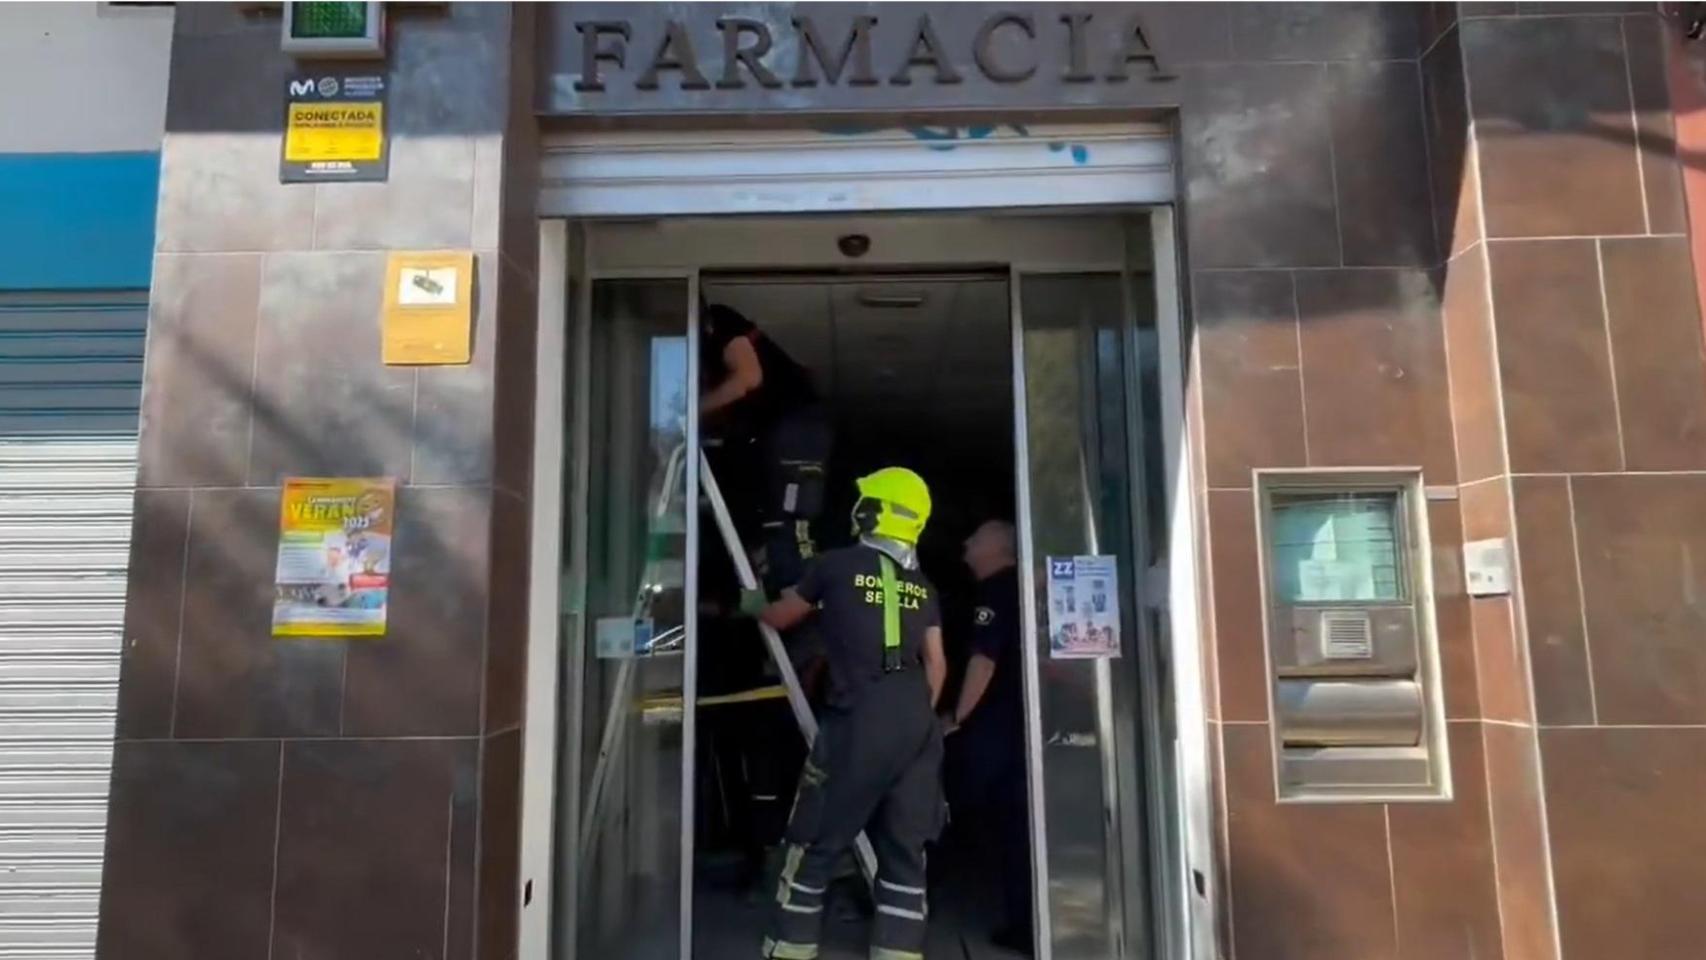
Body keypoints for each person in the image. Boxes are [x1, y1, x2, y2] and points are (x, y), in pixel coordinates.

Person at [743, 467, 947, 960]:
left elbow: (781, 616)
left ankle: (790, 947)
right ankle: (898, 952)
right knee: (904, 849)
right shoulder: (924, 585)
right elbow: (937, 664)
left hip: (859, 718)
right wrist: (912, 718)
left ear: (872, 513)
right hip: (917, 721)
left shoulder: (834, 566)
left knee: (815, 840)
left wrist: (751, 601)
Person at [701, 302, 833, 594]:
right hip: (781, 432)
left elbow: (748, 378)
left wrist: (693, 409)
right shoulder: (705, 351)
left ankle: (798, 601)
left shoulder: (718, 320)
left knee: (789, 522)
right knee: (772, 519)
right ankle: (784, 593)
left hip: (795, 427)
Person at [945, 519, 1032, 955]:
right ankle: (1026, 920)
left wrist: (956, 717)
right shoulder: (1019, 587)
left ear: (999, 547)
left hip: (999, 731)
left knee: (1006, 824)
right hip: (1017, 728)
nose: (967, 541)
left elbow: (984, 660)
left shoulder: (997, 592)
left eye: (976, 536)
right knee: (1014, 825)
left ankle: (1025, 925)